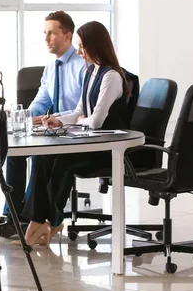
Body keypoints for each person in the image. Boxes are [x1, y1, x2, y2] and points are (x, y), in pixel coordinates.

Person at [16, 21, 130, 247]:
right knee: (42, 157)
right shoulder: (91, 71)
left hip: (106, 147)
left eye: (82, 47)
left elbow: (96, 121)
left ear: (96, 46)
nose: (78, 51)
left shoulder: (111, 77)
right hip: (88, 140)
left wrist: (80, 121)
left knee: (63, 163)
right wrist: (59, 119)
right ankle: (37, 221)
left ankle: (55, 220)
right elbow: (80, 112)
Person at [0, 11, 86, 237]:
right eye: (44, 33)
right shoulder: (51, 67)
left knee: (39, 154)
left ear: (67, 36)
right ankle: (13, 215)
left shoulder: (82, 66)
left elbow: (83, 109)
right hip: (53, 128)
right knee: (15, 153)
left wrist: (54, 117)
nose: (46, 39)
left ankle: (30, 217)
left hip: (75, 131)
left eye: (52, 33)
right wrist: (22, 115)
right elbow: (41, 102)